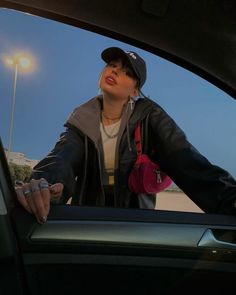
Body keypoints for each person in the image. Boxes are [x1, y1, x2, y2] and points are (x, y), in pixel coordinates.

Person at [16, 47, 236, 224]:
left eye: (127, 72)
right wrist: (44, 184)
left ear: (134, 91)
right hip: (88, 220)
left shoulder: (149, 116)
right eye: (112, 65)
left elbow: (186, 159)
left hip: (135, 223)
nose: (115, 71)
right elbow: (61, 157)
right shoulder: (82, 118)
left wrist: (228, 198)